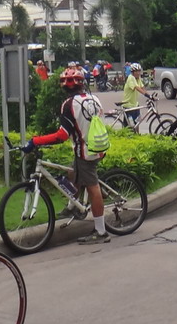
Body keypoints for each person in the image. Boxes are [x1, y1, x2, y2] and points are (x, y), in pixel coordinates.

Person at [21, 69, 111, 244]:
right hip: (98, 145)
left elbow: (62, 135)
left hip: (85, 152)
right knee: (72, 173)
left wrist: (36, 141)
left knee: (92, 187)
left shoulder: (69, 105)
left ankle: (101, 232)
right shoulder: (94, 98)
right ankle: (72, 206)